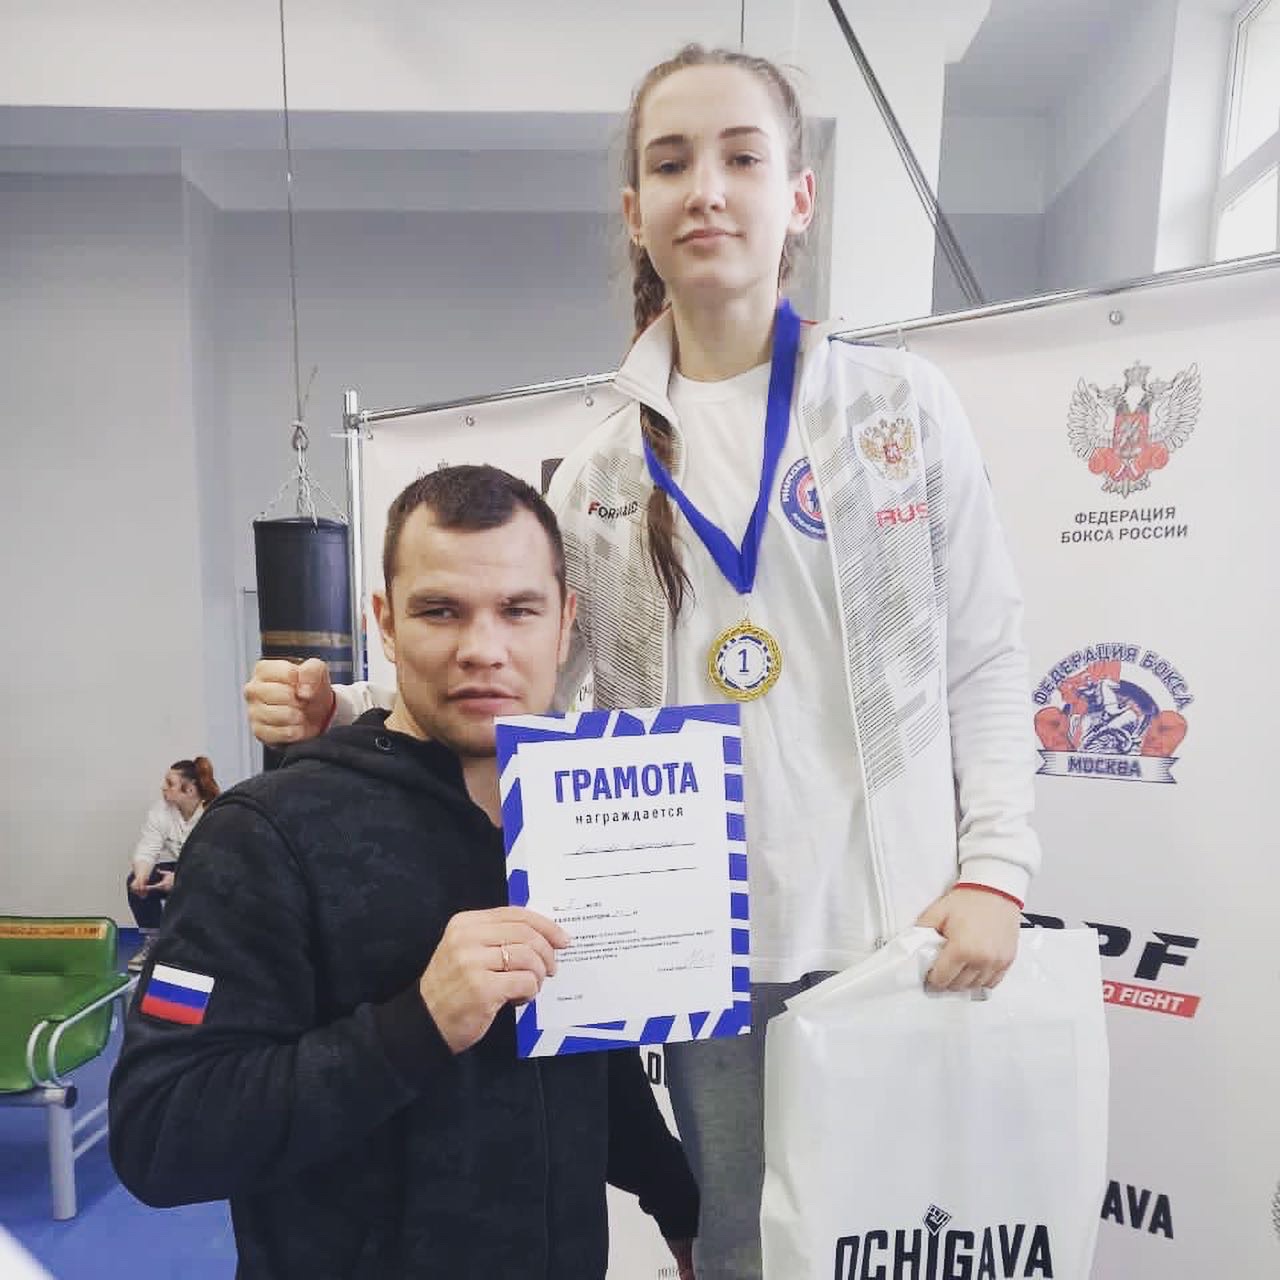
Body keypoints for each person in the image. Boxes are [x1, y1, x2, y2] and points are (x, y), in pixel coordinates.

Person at [244, 45, 1041, 1280]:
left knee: (901, 1242)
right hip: (702, 951)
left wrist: (994, 868)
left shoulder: (898, 410)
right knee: (735, 1244)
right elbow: (527, 676)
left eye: (740, 157)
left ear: (798, 197)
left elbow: (983, 655)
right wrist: (342, 699)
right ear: (635, 210)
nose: (705, 189)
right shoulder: (601, 470)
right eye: (670, 164)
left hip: (893, 935)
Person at [111, 467, 697, 1279]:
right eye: (440, 610)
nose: (482, 649)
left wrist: (676, 1200)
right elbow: (160, 1130)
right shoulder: (264, 834)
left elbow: (582, 1048)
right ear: (385, 624)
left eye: (518, 610)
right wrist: (416, 1025)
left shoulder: (571, 811)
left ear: (564, 624)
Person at [125, 757, 219, 973]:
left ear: (190, 790)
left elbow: (216, 860)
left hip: (215, 872)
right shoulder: (161, 811)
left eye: (170, 783)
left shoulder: (216, 812)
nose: (163, 787)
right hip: (184, 867)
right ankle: (155, 942)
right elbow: (147, 849)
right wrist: (141, 877)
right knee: (137, 880)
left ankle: (208, 946)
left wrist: (181, 879)